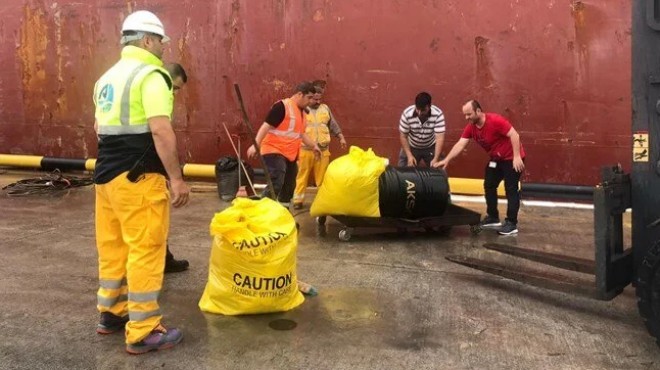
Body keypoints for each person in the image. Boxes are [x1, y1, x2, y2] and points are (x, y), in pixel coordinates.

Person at [92, 10, 188, 354]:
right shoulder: (152, 75)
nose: (163, 46)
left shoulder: (106, 78)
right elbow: (161, 129)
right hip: (139, 178)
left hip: (106, 178)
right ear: (147, 40)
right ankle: (144, 329)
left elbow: (99, 130)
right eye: (160, 40)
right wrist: (176, 179)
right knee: (146, 248)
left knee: (113, 245)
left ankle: (111, 313)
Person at [434, 100, 526, 235]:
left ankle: (512, 224)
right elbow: (460, 144)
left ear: (478, 111)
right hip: (496, 159)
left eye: (469, 114)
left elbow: (514, 135)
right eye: (465, 115)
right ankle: (493, 217)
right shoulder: (471, 127)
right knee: (489, 185)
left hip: (512, 159)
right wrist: (447, 159)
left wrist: (517, 157)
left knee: (510, 189)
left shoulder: (495, 120)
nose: (467, 118)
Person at [246, 81, 322, 208]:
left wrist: (314, 146)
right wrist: (256, 144)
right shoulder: (282, 106)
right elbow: (266, 126)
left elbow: (301, 134)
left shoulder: (302, 113)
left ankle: (283, 211)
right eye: (308, 97)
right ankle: (261, 210)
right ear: (299, 94)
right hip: (273, 150)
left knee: (289, 185)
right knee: (276, 180)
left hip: (290, 154)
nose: (310, 101)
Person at [292, 81, 347, 209]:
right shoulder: (302, 110)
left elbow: (333, 125)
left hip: (322, 150)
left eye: (319, 99)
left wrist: (341, 137)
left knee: (322, 179)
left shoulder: (325, 109)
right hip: (305, 150)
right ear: (309, 97)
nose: (317, 102)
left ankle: (322, 202)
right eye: (314, 99)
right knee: (302, 176)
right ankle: (298, 201)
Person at [161, 62, 189, 274]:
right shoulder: (156, 94)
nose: (173, 93)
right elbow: (161, 135)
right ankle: (160, 261)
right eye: (173, 87)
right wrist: (175, 178)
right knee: (153, 220)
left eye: (177, 89)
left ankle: (164, 256)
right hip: (145, 169)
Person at [398, 92, 446, 167]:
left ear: (429, 106)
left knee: (439, 171)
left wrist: (436, 158)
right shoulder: (407, 114)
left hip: (431, 146)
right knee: (402, 173)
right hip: (411, 146)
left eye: (423, 110)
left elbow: (440, 138)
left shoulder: (438, 114)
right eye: (418, 109)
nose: (420, 113)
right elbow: (403, 136)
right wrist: (409, 155)